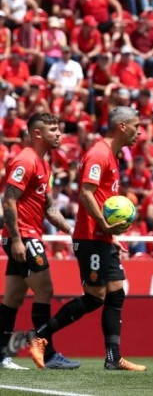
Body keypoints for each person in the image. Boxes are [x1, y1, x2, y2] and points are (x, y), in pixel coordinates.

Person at [26, 107, 146, 371]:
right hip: (91, 237)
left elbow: (101, 198)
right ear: (122, 127)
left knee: (116, 293)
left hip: (103, 238)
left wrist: (111, 235)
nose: (140, 131)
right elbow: (86, 194)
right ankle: (39, 336)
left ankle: (113, 357)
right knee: (94, 297)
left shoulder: (112, 156)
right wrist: (104, 225)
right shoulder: (98, 154)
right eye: (137, 126)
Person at [0, 113, 80, 370]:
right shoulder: (25, 160)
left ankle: (1, 355)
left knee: (12, 298)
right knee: (45, 290)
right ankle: (48, 353)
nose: (59, 134)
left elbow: (48, 208)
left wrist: (71, 229)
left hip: (26, 235)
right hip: (22, 236)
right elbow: (8, 199)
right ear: (37, 133)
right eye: (53, 129)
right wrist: (16, 240)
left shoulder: (44, 165)